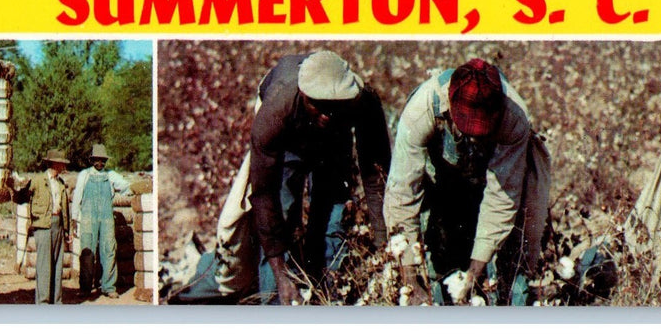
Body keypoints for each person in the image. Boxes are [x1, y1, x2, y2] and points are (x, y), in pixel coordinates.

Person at [168, 50, 391, 305]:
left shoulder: (363, 101)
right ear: (304, 95)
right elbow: (265, 197)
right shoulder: (275, 110)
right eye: (319, 105)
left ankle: (328, 299)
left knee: (333, 220)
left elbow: (376, 178)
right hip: (290, 140)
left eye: (334, 107)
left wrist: (383, 245)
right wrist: (282, 279)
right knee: (283, 216)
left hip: (335, 142)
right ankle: (275, 304)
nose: (326, 115)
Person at [384, 58, 551, 306]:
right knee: (434, 253)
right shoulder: (421, 110)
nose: (473, 138)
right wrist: (411, 280)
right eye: (467, 129)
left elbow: (502, 197)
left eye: (480, 131)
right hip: (440, 175)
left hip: (492, 176)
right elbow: (402, 195)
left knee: (517, 253)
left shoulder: (514, 118)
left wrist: (476, 269)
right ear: (450, 106)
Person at [72, 143, 132, 299]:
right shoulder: (84, 175)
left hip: (106, 218)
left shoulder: (111, 175)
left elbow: (126, 187)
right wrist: (73, 219)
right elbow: (77, 197)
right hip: (88, 217)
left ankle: (108, 286)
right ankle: (85, 288)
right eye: (97, 160)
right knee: (87, 251)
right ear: (92, 160)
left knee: (109, 249)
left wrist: (135, 189)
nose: (100, 163)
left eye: (103, 160)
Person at [12, 149, 72, 304]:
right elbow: (23, 196)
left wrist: (67, 230)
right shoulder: (38, 180)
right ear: (54, 164)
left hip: (58, 225)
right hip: (43, 226)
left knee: (58, 265)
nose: (63, 167)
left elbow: (65, 208)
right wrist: (14, 188)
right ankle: (43, 302)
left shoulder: (61, 184)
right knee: (44, 265)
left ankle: (56, 301)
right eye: (61, 164)